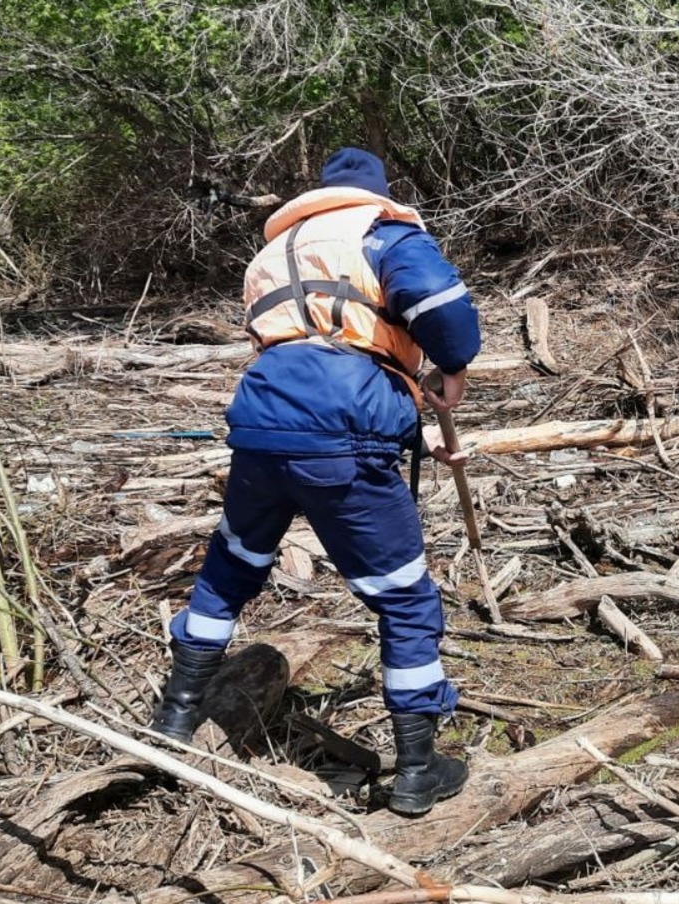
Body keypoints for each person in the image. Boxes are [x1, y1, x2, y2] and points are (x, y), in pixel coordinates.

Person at [148, 147, 480, 817]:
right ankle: (417, 769)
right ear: (375, 194)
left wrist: (411, 395)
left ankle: (175, 720)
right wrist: (452, 364)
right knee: (405, 599)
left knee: (231, 568)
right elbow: (443, 311)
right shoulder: (384, 234)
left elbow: (308, 341)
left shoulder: (272, 254)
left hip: (262, 426)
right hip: (345, 437)